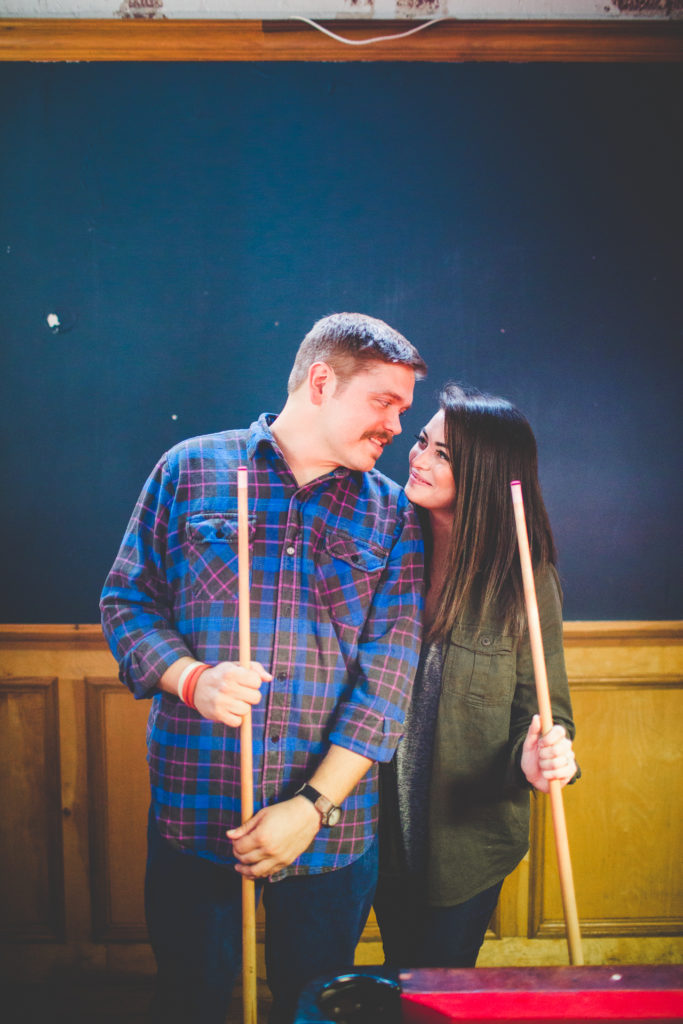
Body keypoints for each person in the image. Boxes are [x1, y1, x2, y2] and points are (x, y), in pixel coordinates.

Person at [100, 312, 427, 1024]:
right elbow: (125, 601)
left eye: (404, 410)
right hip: (197, 812)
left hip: (329, 831)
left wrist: (309, 809)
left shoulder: (393, 516)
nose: (397, 426)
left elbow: (388, 682)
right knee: (192, 1000)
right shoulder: (191, 469)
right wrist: (193, 678)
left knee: (312, 1009)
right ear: (320, 381)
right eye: (385, 403)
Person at [374, 382, 578, 970]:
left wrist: (538, 757)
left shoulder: (525, 580)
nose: (417, 457)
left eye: (443, 454)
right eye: (421, 441)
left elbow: (547, 714)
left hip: (469, 839)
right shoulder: (384, 549)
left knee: (442, 982)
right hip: (377, 828)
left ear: (485, 475)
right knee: (397, 975)